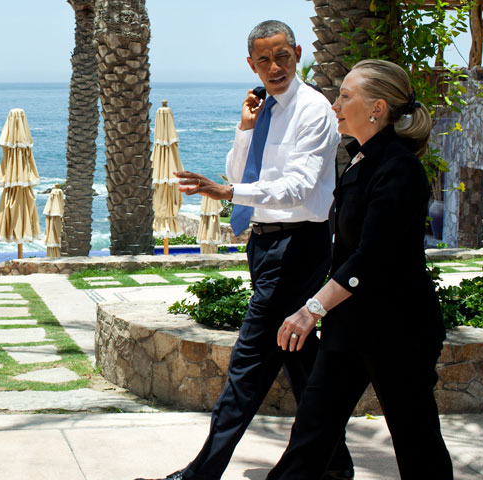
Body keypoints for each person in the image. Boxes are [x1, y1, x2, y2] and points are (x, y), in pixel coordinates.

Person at [135, 20, 353, 480]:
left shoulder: (312, 110)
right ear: (250, 63)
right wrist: (245, 128)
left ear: (296, 53)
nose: (274, 67)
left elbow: (296, 189)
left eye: (283, 57)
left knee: (248, 367)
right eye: (264, 60)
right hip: (266, 245)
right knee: (299, 358)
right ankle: (335, 467)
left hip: (298, 246)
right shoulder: (266, 110)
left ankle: (202, 474)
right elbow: (240, 170)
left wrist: (228, 193)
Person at [266, 59, 454, 479]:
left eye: (345, 96)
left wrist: (310, 309)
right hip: (349, 327)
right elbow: (346, 250)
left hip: (398, 331)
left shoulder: (399, 169)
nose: (335, 104)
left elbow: (370, 258)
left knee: (416, 443)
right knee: (311, 436)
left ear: (377, 108)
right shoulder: (359, 161)